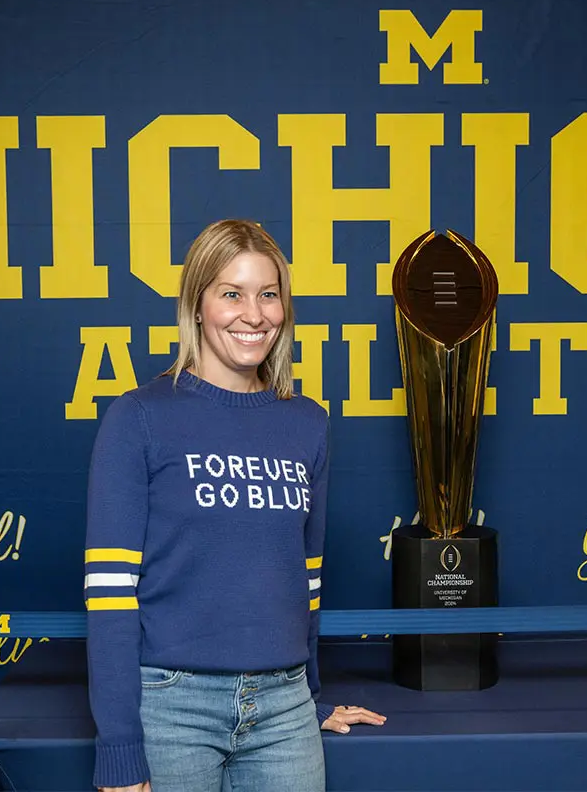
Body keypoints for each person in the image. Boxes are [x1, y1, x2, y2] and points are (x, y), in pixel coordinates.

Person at [83, 219, 385, 792]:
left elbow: (305, 580)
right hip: (171, 709)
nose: (254, 314)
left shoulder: (308, 423)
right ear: (196, 306)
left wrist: (310, 698)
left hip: (284, 711)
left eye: (268, 294)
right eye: (231, 294)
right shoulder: (139, 417)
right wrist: (119, 746)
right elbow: (110, 594)